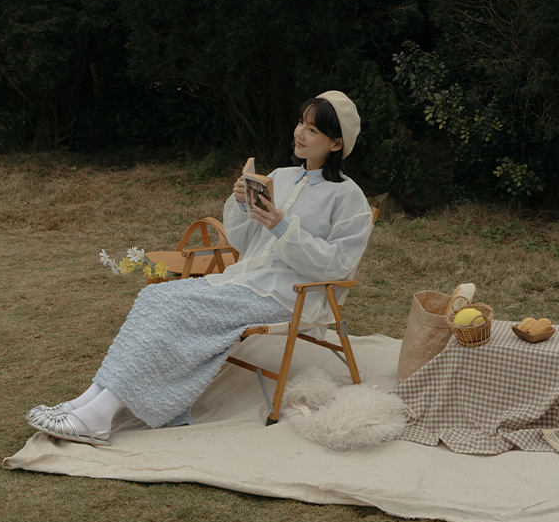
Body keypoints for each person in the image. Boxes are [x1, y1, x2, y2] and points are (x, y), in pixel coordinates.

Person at [26, 90, 374, 446]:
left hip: (290, 295)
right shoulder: (282, 177)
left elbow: (337, 266)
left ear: (336, 143)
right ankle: (89, 400)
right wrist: (243, 204)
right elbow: (244, 242)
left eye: (313, 130)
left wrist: (283, 226)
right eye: (301, 122)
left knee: (182, 309)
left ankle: (99, 416)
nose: (300, 132)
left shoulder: (349, 198)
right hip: (247, 281)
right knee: (155, 297)